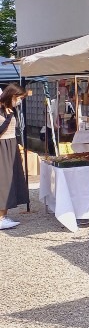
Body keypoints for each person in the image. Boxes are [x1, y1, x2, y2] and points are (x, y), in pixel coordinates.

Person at [0, 84, 28, 229]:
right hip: (2, 147)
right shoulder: (2, 109)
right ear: (12, 96)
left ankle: (3, 215)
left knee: (11, 181)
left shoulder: (10, 109)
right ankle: (0, 217)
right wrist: (8, 116)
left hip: (11, 145)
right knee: (4, 182)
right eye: (19, 98)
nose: (20, 101)